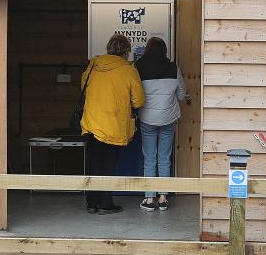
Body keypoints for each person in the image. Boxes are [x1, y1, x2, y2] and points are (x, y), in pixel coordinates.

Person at [79, 33, 145, 215]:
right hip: (114, 124)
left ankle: (91, 203)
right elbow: (139, 101)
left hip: (92, 122)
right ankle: (105, 203)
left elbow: (83, 86)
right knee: (108, 164)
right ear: (126, 51)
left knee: (94, 163)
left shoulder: (93, 65)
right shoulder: (129, 70)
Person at [135, 37, 188, 212]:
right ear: (164, 50)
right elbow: (181, 96)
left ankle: (150, 199)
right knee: (164, 158)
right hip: (168, 118)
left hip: (147, 118)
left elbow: (135, 95)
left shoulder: (139, 67)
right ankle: (163, 198)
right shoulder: (173, 67)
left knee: (150, 158)